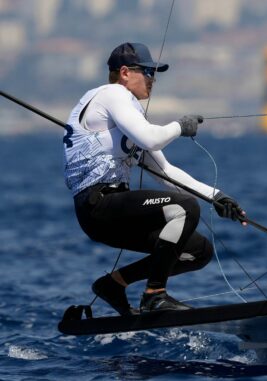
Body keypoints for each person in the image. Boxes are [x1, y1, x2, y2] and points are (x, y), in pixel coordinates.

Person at [63, 42, 245, 315]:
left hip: (115, 212)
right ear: (124, 72)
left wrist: (217, 196)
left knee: (199, 250)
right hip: (97, 205)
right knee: (184, 208)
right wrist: (179, 126)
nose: (153, 79)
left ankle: (113, 284)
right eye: (147, 71)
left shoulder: (126, 114)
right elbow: (150, 137)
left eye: (154, 73)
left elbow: (166, 173)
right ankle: (155, 295)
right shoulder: (112, 94)